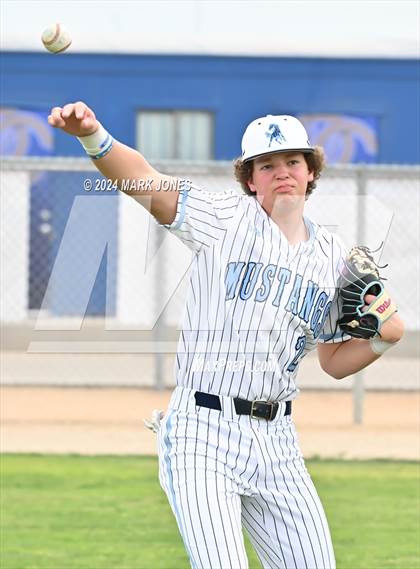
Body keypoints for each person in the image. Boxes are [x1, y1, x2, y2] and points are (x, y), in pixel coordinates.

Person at [48, 103, 404, 569]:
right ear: (250, 178)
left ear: (311, 172)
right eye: (267, 164)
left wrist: (383, 338)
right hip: (203, 431)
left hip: (278, 439)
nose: (282, 173)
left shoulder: (333, 258)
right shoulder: (223, 220)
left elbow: (334, 361)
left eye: (293, 161)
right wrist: (93, 135)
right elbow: (143, 179)